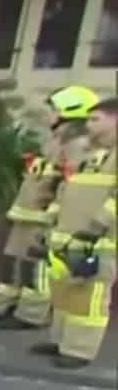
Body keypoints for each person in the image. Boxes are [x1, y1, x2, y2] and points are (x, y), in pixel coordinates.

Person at [0, 85, 97, 327]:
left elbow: (69, 186)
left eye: (53, 110)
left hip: (42, 219)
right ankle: (2, 307)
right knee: (11, 263)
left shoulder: (79, 148)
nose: (48, 114)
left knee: (34, 269)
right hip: (25, 215)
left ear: (68, 112)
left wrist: (53, 215)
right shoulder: (56, 142)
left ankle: (29, 315)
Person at [32, 97, 117, 369]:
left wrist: (96, 226)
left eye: (96, 119)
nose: (88, 125)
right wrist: (49, 222)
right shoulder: (83, 153)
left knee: (90, 298)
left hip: (98, 240)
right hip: (66, 235)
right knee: (64, 292)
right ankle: (61, 341)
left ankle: (79, 350)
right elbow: (63, 190)